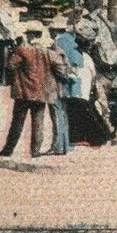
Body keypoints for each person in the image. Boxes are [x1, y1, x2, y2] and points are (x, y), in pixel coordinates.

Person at [0, 24, 52, 159]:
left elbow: (10, 65)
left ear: (30, 35)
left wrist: (14, 50)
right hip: (41, 91)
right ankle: (35, 151)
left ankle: (8, 149)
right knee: (38, 122)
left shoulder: (23, 50)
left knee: (17, 122)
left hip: (24, 92)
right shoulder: (46, 51)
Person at [41, 26, 73, 156]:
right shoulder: (66, 48)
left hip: (55, 89)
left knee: (57, 118)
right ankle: (65, 146)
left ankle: (58, 147)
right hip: (62, 89)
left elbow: (61, 71)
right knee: (63, 118)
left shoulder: (55, 50)